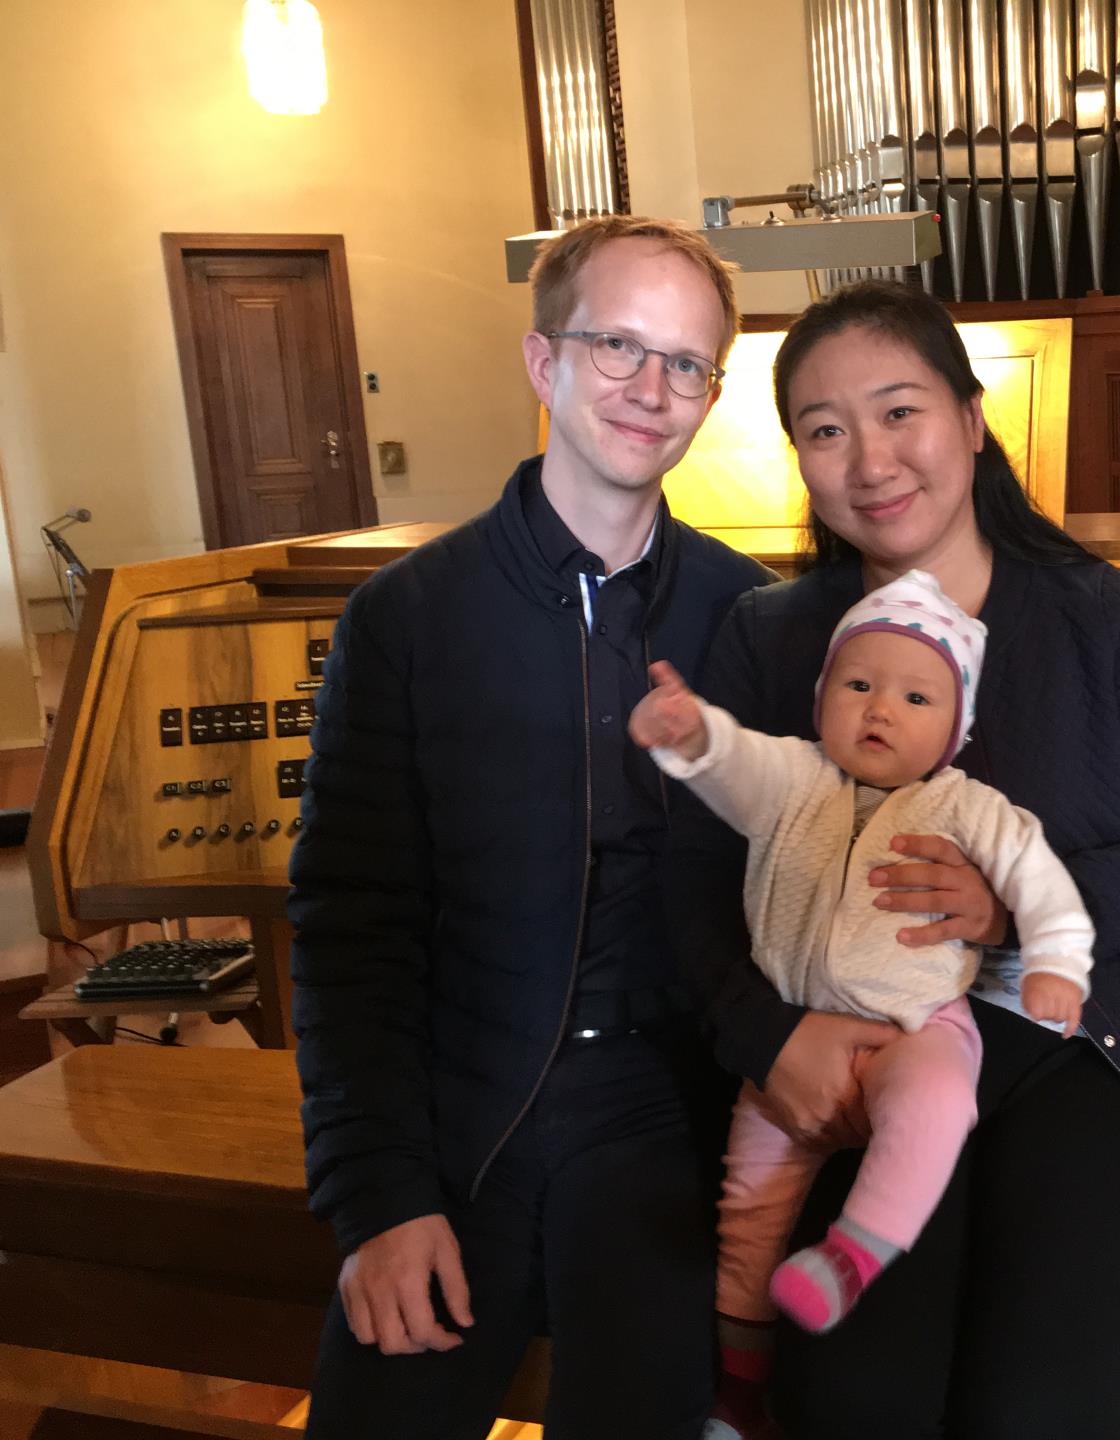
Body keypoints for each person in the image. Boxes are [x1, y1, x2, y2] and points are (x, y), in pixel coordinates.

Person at [667, 280, 1120, 1438]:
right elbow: (690, 883)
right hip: (869, 1056)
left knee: (1031, 1412)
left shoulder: (1091, 613)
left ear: (973, 420)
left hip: (1092, 1051)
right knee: (848, 1397)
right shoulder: (772, 636)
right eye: (825, 430)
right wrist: (766, 1036)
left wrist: (1016, 908)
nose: (870, 461)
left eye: (900, 412)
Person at [288, 215, 773, 1440]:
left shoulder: (749, 618)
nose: (651, 389)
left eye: (687, 363)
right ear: (543, 361)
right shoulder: (405, 619)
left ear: (712, 397)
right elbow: (351, 924)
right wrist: (379, 1195)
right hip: (465, 1100)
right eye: (619, 345)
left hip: (664, 1111)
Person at [631, 569, 1094, 1434]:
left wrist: (1057, 964)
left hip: (917, 1028)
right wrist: (694, 735)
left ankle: (853, 1255)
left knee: (937, 1104)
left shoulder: (968, 807)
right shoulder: (793, 777)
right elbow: (734, 764)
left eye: (916, 697)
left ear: (955, 727)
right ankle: (738, 1399)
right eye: (857, 685)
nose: (881, 709)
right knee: (747, 1218)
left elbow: (1041, 883)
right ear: (821, 699)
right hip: (793, 1038)